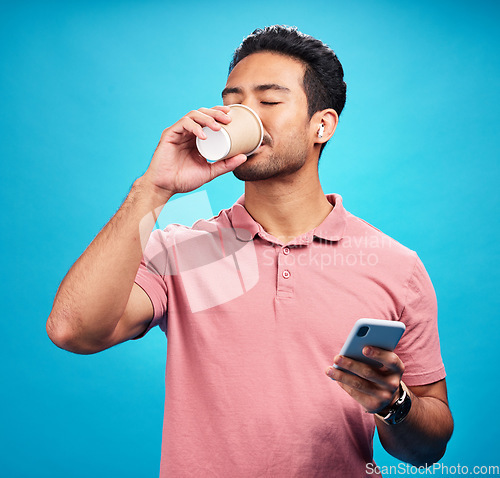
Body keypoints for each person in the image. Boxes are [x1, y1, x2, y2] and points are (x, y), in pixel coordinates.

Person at [47, 25, 454, 477]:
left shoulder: (396, 265)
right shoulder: (181, 249)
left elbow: (429, 447)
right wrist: (153, 189)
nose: (244, 114)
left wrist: (393, 404)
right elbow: (72, 331)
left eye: (269, 100)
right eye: (233, 100)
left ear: (322, 124)